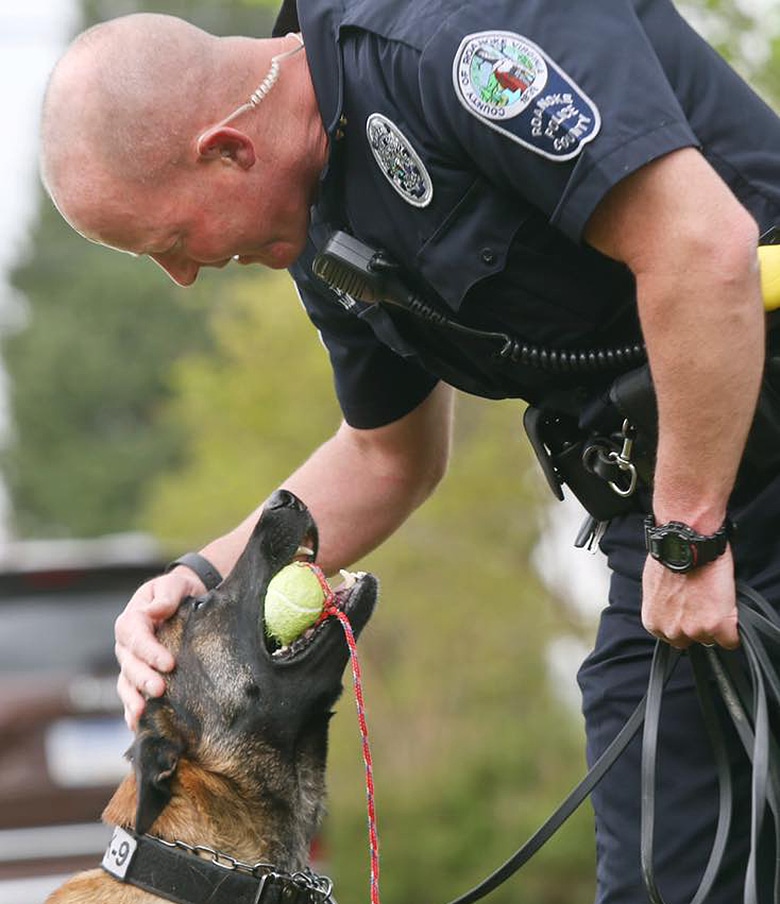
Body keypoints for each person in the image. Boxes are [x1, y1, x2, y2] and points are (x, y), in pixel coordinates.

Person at [39, 1, 779, 901]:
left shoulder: (451, 36)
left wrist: (688, 536)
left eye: (170, 241)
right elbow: (389, 456)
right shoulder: (320, 229)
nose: (185, 274)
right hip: (674, 512)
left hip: (703, 498)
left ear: (228, 151)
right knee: (664, 874)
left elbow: (703, 247)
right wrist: (202, 581)